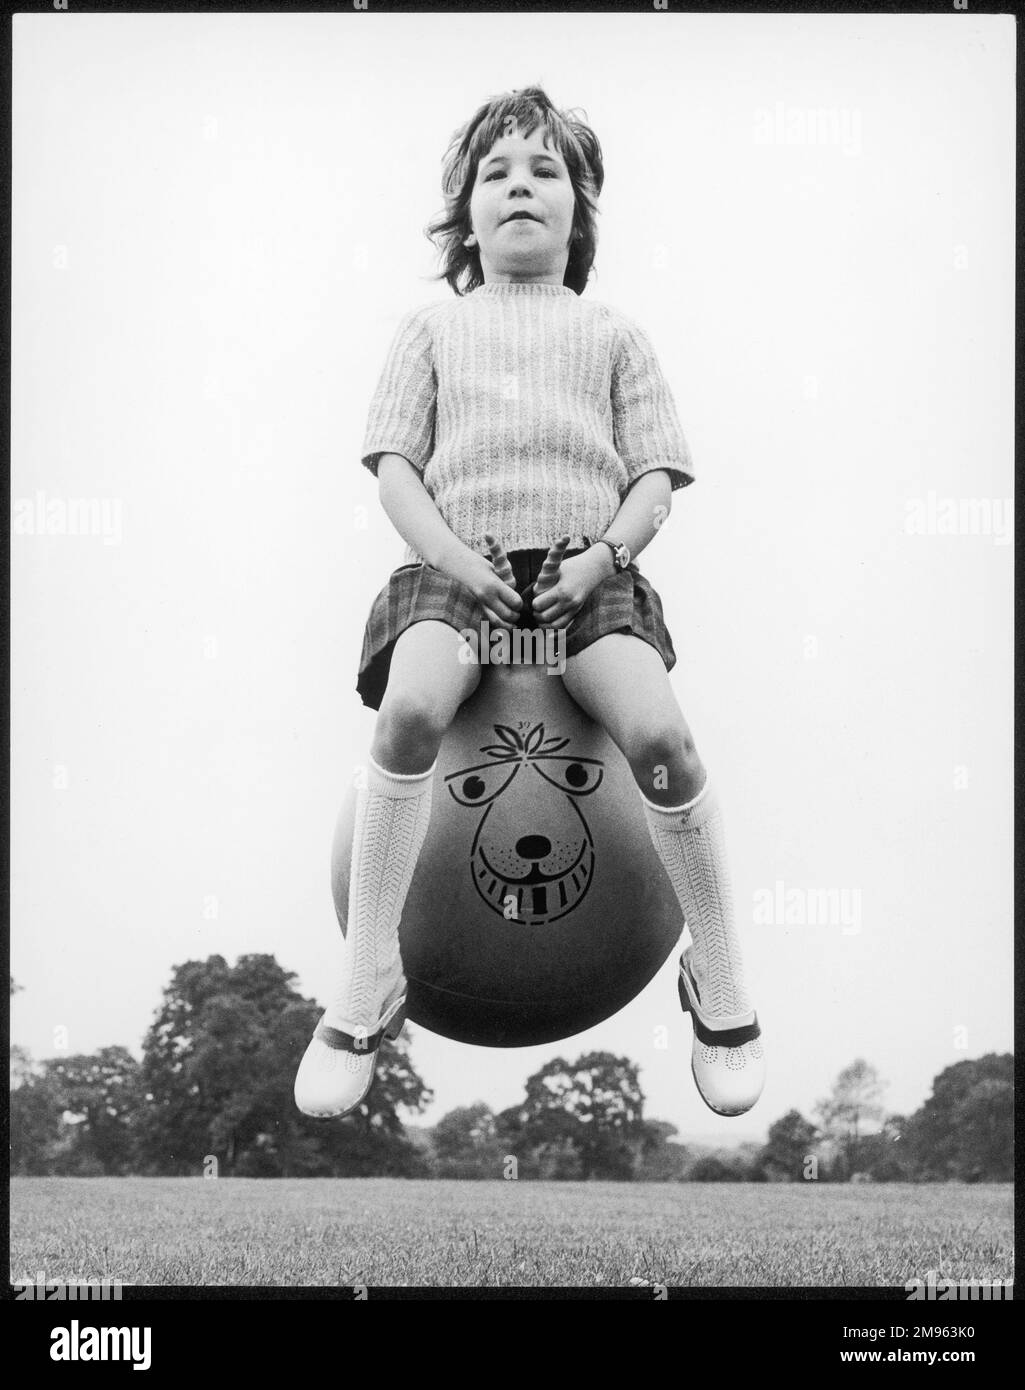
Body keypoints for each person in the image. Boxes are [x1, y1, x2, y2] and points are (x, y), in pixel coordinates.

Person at [294, 86, 764, 1122]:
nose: (519, 186)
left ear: (577, 210)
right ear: (465, 210)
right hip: (454, 569)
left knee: (666, 744)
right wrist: (456, 561)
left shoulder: (612, 335)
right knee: (411, 710)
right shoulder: (428, 330)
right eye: (496, 172)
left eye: (544, 171)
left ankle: (719, 978)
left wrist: (602, 558)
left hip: (582, 577)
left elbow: (654, 477)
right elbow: (394, 473)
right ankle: (367, 974)